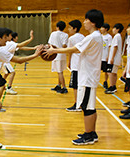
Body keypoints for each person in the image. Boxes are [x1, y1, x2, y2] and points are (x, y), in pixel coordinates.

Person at [45, 9, 104, 145]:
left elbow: (74, 49)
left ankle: (88, 135)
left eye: (86, 20)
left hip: (87, 77)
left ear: (93, 22)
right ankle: (92, 132)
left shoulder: (93, 37)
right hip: (89, 75)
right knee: (89, 106)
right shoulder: (96, 36)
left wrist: (55, 50)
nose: (84, 22)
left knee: (86, 107)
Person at [66, 20, 85, 112]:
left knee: (75, 86)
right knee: (81, 85)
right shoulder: (83, 37)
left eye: (70, 27)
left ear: (75, 28)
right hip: (83, 64)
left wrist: (69, 62)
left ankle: (77, 104)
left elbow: (70, 51)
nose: (69, 29)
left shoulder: (71, 38)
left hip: (76, 64)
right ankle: (82, 103)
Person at [49, 21, 69, 94]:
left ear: (57, 27)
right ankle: (58, 85)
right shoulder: (66, 35)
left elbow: (50, 44)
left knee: (60, 72)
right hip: (62, 54)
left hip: (55, 54)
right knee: (59, 71)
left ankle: (64, 87)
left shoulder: (53, 33)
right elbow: (64, 46)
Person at [105, 23, 124, 94]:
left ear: (117, 29)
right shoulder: (118, 36)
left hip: (114, 58)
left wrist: (112, 58)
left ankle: (112, 86)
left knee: (110, 73)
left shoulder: (117, 36)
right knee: (114, 73)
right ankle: (113, 86)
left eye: (114, 28)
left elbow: (115, 47)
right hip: (115, 58)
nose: (112, 30)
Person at [100, 23, 112, 89]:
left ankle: (105, 81)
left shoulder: (109, 37)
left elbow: (110, 47)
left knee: (106, 71)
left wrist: (108, 56)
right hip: (99, 56)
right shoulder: (99, 36)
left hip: (105, 56)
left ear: (106, 29)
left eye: (102, 27)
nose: (101, 29)